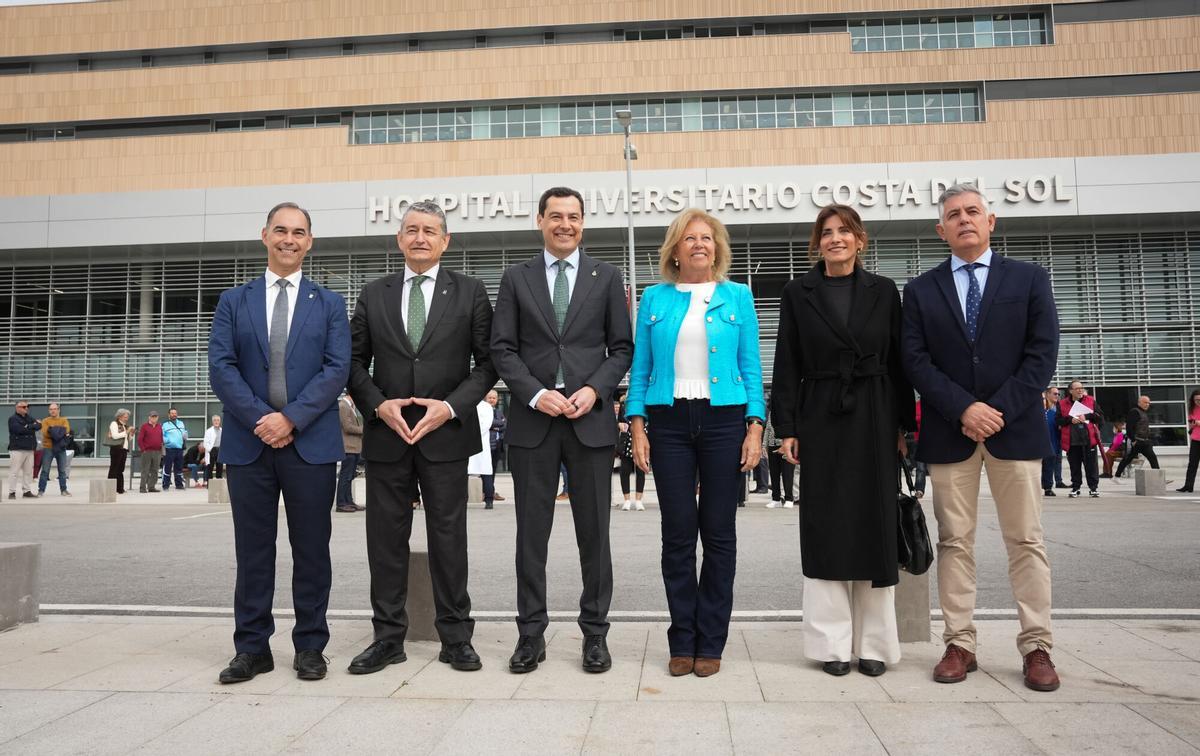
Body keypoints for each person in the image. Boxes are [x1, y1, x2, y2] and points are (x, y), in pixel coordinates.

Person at [901, 183, 1061, 692]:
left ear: (991, 221)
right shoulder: (921, 290)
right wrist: (963, 408)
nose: (964, 219)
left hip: (1014, 432)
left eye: (973, 211)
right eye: (954, 214)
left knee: (1026, 541)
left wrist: (995, 410)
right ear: (940, 229)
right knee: (954, 542)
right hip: (952, 433)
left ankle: (1037, 646)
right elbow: (915, 361)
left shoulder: (1030, 279)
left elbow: (1042, 355)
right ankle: (959, 643)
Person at [347, 200, 496, 675]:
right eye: (411, 229)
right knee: (384, 540)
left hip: (446, 433)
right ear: (399, 239)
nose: (420, 237)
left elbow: (489, 363)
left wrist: (451, 406)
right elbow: (353, 361)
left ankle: (456, 636)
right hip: (388, 434)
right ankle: (388, 638)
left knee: (449, 537)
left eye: (430, 230)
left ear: (445, 240)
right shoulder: (374, 294)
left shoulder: (470, 292)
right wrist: (377, 404)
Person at [491, 186, 633, 675]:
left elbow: (622, 348)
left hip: (589, 423)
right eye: (556, 216)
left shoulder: (607, 276)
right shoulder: (515, 277)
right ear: (540, 221)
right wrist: (534, 393)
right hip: (534, 425)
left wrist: (594, 390)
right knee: (532, 537)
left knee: (594, 536)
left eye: (573, 216)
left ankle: (595, 635)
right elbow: (502, 349)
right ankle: (530, 635)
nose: (565, 225)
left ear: (583, 222)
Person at [208, 201, 350, 684]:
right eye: (281, 230)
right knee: (253, 551)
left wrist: (289, 419)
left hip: (309, 444)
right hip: (249, 446)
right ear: (264, 235)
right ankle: (251, 648)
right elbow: (222, 369)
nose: (290, 239)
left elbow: (337, 370)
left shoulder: (329, 304)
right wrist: (261, 420)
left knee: (312, 551)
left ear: (310, 242)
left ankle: (311, 645)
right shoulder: (234, 300)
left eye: (300, 232)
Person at [773, 203, 914, 677]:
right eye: (826, 232)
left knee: (875, 525)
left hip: (874, 414)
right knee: (827, 526)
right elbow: (787, 362)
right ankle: (832, 645)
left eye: (844, 231)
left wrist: (903, 427)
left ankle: (875, 644)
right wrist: (787, 427)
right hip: (821, 416)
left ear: (859, 239)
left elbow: (898, 364)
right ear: (818, 242)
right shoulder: (798, 292)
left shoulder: (884, 291)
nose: (835, 239)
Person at [627, 207, 764, 679]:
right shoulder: (654, 299)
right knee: (679, 535)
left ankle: (713, 640)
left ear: (717, 247)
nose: (699, 244)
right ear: (676, 248)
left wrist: (755, 425)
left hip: (725, 420)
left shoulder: (738, 296)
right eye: (690, 238)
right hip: (668, 423)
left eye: (707, 238)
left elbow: (751, 367)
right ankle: (681, 639)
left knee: (720, 535)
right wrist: (637, 425)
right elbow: (640, 369)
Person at [1056, 381, 1104, 498]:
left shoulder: (1091, 401)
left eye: (1081, 388)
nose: (1080, 390)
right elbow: (1058, 421)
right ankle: (1076, 488)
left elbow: (1100, 417)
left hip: (1089, 440)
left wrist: (1086, 416)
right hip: (1072, 441)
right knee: (1075, 466)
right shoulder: (1062, 403)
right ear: (1070, 391)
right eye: (1077, 388)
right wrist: (1069, 420)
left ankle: (1093, 488)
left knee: (1091, 466)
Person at [1115, 395, 1159, 479]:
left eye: (1148, 403)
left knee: (1150, 458)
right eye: (1145, 402)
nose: (1147, 404)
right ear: (1139, 403)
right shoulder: (1135, 412)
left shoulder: (1143, 412)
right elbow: (1129, 427)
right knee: (1129, 459)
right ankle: (1116, 476)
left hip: (1144, 441)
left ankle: (1117, 476)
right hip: (1138, 441)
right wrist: (1133, 440)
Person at [615, 397, 645, 511]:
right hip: (626, 440)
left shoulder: (643, 403)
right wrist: (619, 425)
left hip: (641, 439)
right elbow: (618, 421)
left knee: (640, 471)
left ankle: (638, 500)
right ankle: (627, 500)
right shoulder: (623, 406)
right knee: (625, 471)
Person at [37, 402, 71, 497]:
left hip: (60, 448)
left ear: (58, 410)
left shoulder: (64, 420)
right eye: (51, 409)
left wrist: (52, 430)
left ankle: (63, 490)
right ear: (49, 411)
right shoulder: (45, 421)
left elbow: (66, 431)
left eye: (55, 409)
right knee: (45, 471)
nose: (53, 411)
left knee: (62, 471)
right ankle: (41, 490)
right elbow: (45, 433)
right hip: (48, 448)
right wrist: (59, 432)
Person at [7, 401, 40, 499]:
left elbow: (39, 426)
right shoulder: (13, 419)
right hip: (17, 449)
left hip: (29, 448)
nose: (26, 408)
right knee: (14, 472)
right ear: (17, 408)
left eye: (27, 406)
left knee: (28, 472)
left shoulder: (28, 417)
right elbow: (19, 430)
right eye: (24, 407)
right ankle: (12, 492)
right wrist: (32, 426)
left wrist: (28, 426)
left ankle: (26, 491)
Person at [336, 394, 363, 513]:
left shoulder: (350, 407)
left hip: (354, 447)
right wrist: (363, 429)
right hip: (348, 447)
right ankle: (341, 503)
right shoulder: (343, 406)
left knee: (350, 476)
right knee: (345, 476)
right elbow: (347, 427)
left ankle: (349, 501)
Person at [763, 408, 794, 508]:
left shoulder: (789, 412)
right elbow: (767, 428)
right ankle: (775, 498)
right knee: (774, 473)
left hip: (786, 445)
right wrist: (764, 445)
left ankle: (789, 498)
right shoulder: (772, 413)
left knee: (787, 473)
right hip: (772, 445)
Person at [482, 390, 506, 505]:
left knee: (493, 469)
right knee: (486, 470)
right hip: (487, 445)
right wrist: (498, 424)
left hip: (497, 444)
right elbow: (489, 423)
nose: (492, 400)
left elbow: (504, 424)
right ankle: (487, 493)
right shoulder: (483, 411)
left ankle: (491, 491)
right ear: (485, 399)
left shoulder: (498, 411)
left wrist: (496, 426)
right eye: (490, 397)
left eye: (494, 398)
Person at [469, 399, 495, 507]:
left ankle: (489, 499)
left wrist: (470, 435)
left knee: (485, 472)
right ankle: (488, 500)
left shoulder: (486, 407)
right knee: (483, 471)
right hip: (473, 443)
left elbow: (486, 425)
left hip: (477, 443)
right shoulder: (486, 407)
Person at [1041, 387, 1063, 496]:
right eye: (1055, 393)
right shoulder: (1041, 411)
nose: (1057, 396)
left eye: (1058, 394)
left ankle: (1047, 487)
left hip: (1054, 443)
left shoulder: (1058, 411)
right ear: (1047, 394)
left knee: (1049, 466)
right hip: (1039, 444)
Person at [1177, 388, 1200, 493]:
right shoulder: (1192, 409)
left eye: (1199, 399)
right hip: (1195, 439)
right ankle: (1188, 485)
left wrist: (1198, 422)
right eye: (1196, 400)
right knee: (1192, 464)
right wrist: (1193, 423)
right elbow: (1191, 422)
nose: (1198, 402)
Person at [160, 408, 188, 490]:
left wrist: (185, 435)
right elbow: (162, 435)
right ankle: (166, 485)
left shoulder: (181, 423)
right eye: (172, 413)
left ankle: (179, 485)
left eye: (175, 413)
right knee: (167, 467)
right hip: (169, 449)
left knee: (179, 467)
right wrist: (167, 441)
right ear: (169, 415)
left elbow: (184, 433)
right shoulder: (165, 424)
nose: (174, 415)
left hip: (179, 448)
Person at [106, 408, 133, 494]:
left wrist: (131, 434)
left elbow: (127, 439)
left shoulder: (125, 426)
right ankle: (111, 489)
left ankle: (120, 488)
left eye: (127, 417)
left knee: (120, 469)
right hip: (116, 449)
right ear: (119, 416)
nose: (127, 418)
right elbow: (115, 436)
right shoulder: (114, 424)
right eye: (125, 417)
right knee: (114, 469)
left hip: (123, 449)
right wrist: (126, 432)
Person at [136, 411, 163, 493]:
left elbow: (161, 437)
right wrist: (143, 449)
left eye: (155, 416)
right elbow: (140, 439)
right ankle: (142, 488)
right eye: (152, 416)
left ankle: (151, 487)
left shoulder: (159, 426)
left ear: (157, 418)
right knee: (145, 470)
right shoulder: (144, 426)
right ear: (149, 417)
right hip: (147, 451)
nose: (154, 418)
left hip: (157, 451)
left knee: (155, 470)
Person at [203, 415, 224, 481]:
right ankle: (210, 484)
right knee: (210, 468)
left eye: (218, 420)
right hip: (212, 450)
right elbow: (205, 443)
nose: (216, 422)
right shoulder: (208, 431)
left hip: (220, 450)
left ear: (220, 421)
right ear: (212, 421)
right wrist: (210, 450)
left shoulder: (222, 430)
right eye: (215, 420)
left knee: (219, 467)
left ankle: (219, 482)